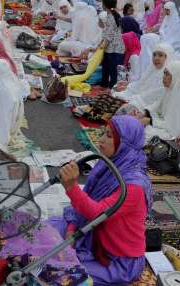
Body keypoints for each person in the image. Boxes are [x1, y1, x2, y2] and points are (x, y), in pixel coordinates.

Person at [49, 116, 151, 285]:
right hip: (91, 234)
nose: (101, 139)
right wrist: (72, 228)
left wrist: (72, 187)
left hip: (117, 260)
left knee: (60, 274)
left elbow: (97, 213)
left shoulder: (134, 187)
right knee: (42, 231)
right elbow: (87, 200)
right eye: (103, 133)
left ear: (124, 143)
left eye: (109, 136)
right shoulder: (107, 163)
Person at [113, 43, 174, 108]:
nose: (156, 58)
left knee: (124, 102)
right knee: (116, 93)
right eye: (154, 55)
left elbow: (155, 95)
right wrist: (128, 87)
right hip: (140, 96)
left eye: (160, 55)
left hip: (150, 104)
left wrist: (134, 98)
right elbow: (140, 84)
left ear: (167, 57)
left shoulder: (168, 74)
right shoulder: (152, 68)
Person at [98, 0, 125, 88]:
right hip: (111, 47)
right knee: (106, 67)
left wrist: (101, 47)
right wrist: (101, 44)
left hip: (115, 49)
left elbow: (109, 35)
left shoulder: (111, 17)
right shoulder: (113, 14)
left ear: (105, 4)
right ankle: (104, 84)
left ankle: (111, 88)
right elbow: (106, 32)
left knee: (113, 70)